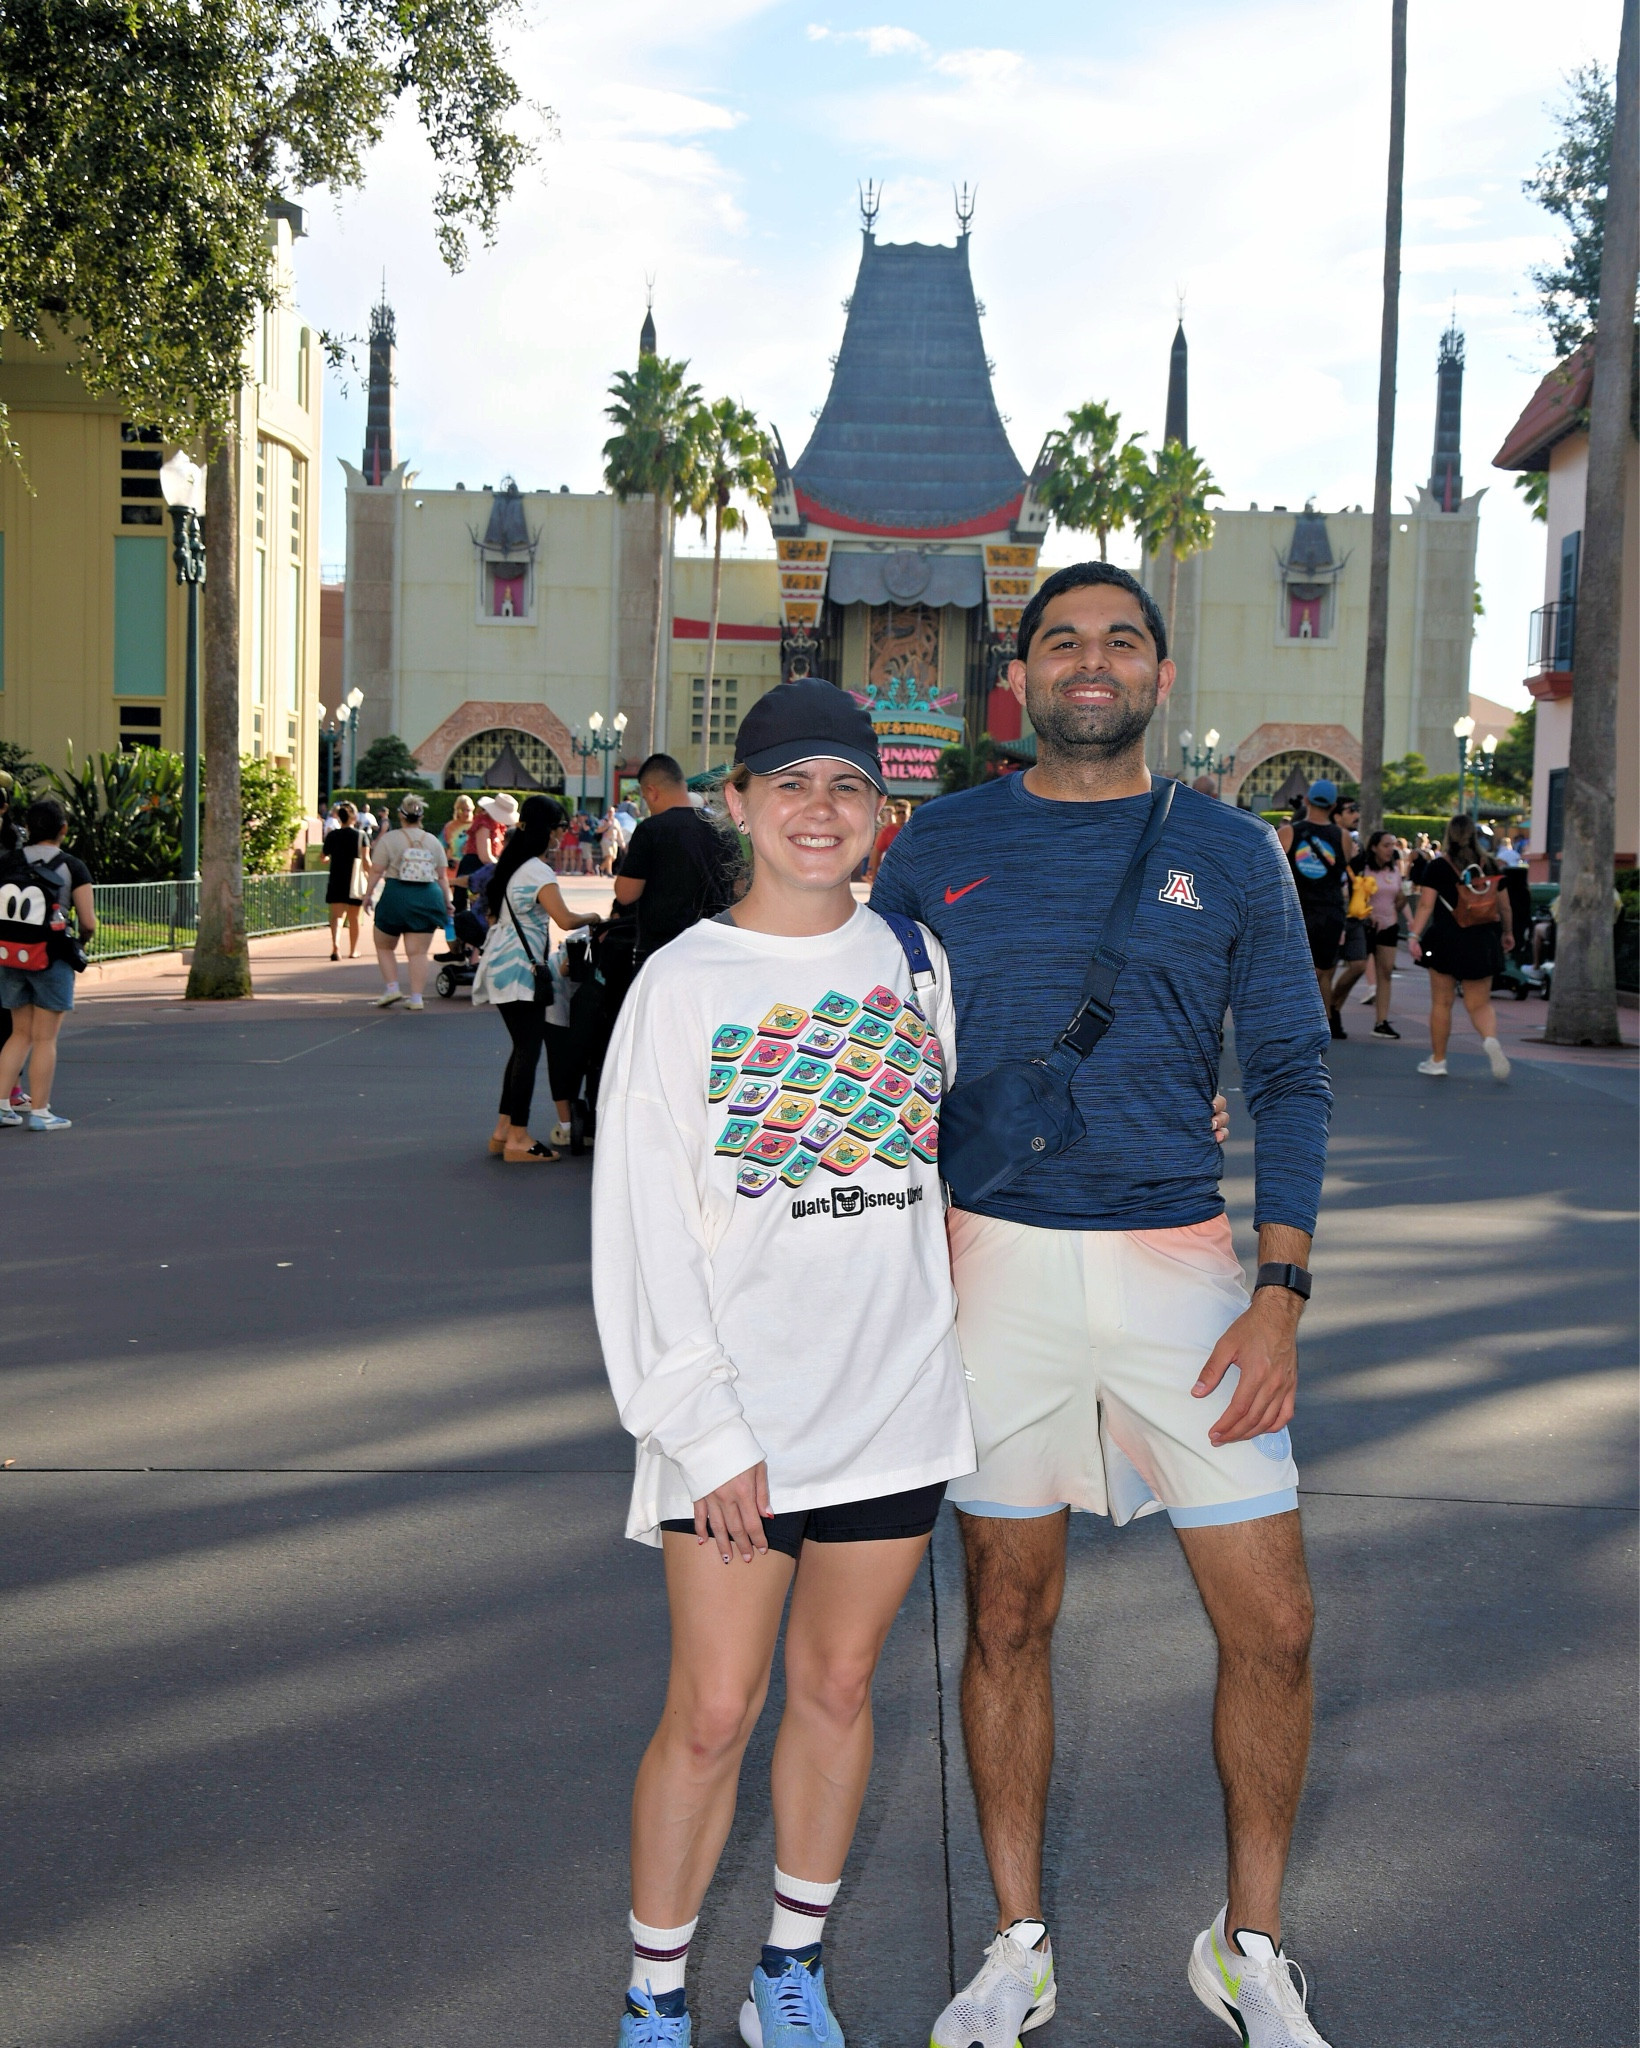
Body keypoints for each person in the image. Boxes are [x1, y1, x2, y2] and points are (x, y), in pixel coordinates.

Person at [872, 561, 1336, 2048]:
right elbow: (872, 1055)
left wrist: (1280, 1291)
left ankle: (1249, 1947)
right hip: (988, 1266)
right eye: (1062, 640)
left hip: (1186, 1275)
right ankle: (1018, 1943)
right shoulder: (935, 845)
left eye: (1120, 639)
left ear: (1156, 672)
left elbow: (1289, 1076)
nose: (1092, 662)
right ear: (1018, 678)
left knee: (1275, 1623)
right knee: (1008, 1612)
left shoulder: (1234, 851)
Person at [592, 680, 977, 2048]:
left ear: (884, 815)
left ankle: (787, 1974)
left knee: (837, 1690)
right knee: (710, 1712)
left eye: (849, 787)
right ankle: (653, 1995)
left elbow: (942, 1173)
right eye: (791, 784)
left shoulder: (918, 967)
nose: (821, 810)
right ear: (739, 805)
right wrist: (702, 1427)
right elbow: (643, 1234)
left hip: (893, 1407)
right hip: (737, 1424)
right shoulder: (680, 985)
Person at [471, 795, 600, 1161]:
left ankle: (502, 1131)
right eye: (560, 827)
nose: (562, 835)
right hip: (520, 971)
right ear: (547, 828)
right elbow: (565, 919)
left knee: (520, 1050)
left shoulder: (514, 865)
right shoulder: (538, 871)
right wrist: (594, 917)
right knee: (528, 1051)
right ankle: (518, 1138)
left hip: (502, 967)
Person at [0, 796, 96, 1132]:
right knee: (44, 1039)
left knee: (19, 1033)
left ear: (28, 828)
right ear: (64, 829)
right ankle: (40, 1113)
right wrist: (81, 945)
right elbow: (88, 922)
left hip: (11, 956)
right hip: (51, 959)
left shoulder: (8, 862)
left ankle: (1, 1107)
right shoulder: (73, 867)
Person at [1407, 813, 1513, 1081]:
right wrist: (1508, 933)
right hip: (1483, 939)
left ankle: (1438, 1060)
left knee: (1442, 1002)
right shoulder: (1489, 865)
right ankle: (1490, 1039)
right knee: (1479, 1003)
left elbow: (1426, 905)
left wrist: (1414, 935)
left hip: (1446, 940)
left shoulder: (1439, 867)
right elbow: (1505, 906)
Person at [613, 753, 740, 968]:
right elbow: (740, 888)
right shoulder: (723, 828)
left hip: (663, 953)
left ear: (651, 792)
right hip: (717, 949)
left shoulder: (651, 829)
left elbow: (625, 894)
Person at [1276, 778, 1350, 1040]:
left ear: (1306, 801)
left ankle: (1293, 1023)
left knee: (1295, 970)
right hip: (1331, 913)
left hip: (1298, 911)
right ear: (1332, 806)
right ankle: (1321, 1024)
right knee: (1323, 971)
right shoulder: (1343, 837)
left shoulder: (1288, 833)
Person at [363, 794, 452, 1010]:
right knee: (418, 952)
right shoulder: (432, 841)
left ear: (401, 816)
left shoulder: (389, 839)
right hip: (428, 896)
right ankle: (416, 998)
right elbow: (442, 876)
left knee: (384, 944)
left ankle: (392, 988)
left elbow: (376, 871)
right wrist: (447, 901)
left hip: (396, 894)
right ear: (421, 816)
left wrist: (368, 895)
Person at [1347, 830, 1406, 1038]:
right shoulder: (1363, 868)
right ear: (1374, 847)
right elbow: (1350, 893)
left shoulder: (1394, 871)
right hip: (1365, 925)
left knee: (1386, 972)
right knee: (1356, 967)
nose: (1391, 849)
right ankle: (1333, 1008)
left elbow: (1399, 896)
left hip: (1388, 926)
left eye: (1393, 845)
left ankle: (1381, 1021)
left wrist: (1400, 905)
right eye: (1386, 845)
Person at [322, 801, 366, 960]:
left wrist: (327, 858)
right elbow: (366, 860)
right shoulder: (360, 836)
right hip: (354, 880)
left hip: (336, 877)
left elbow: (323, 856)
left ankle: (336, 947)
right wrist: (371, 876)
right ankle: (353, 950)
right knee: (354, 918)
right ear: (353, 817)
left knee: (337, 916)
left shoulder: (332, 835)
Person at [866, 799, 907, 883]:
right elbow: (877, 852)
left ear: (909, 813)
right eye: (899, 812)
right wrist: (874, 873)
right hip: (892, 874)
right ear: (895, 814)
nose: (901, 815)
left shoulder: (916, 829)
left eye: (904, 812)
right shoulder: (887, 831)